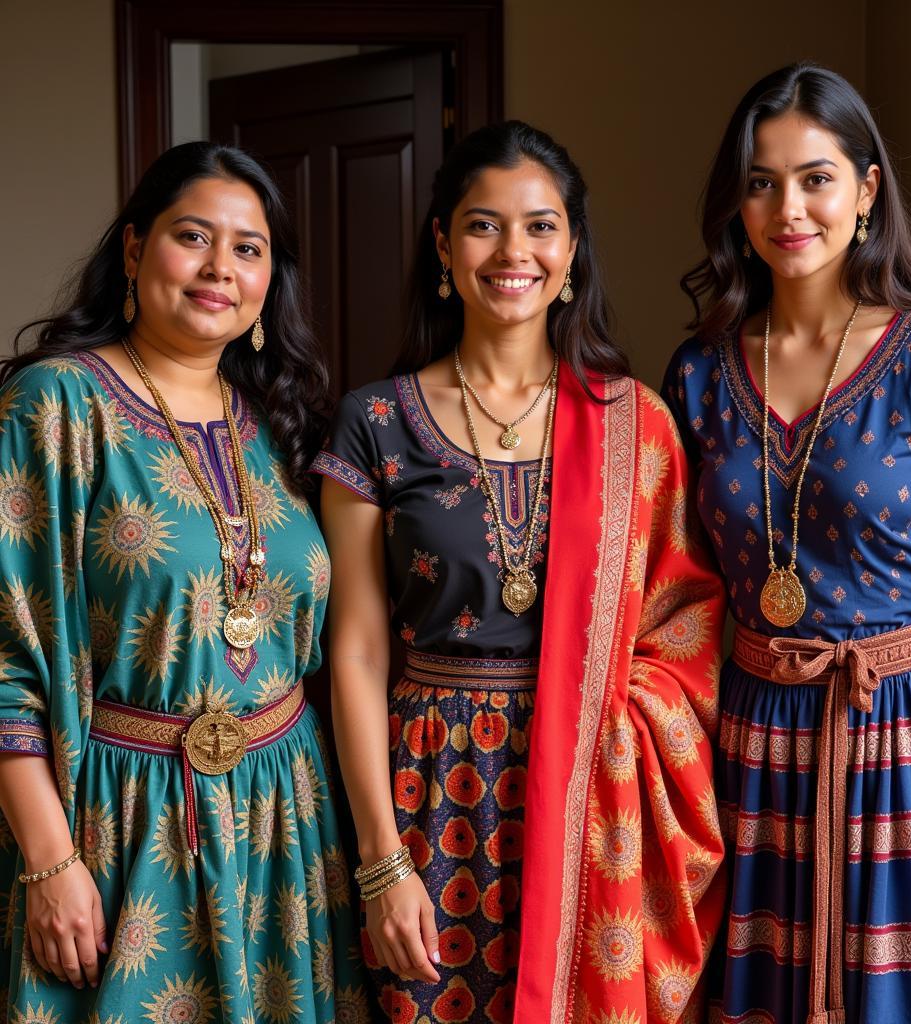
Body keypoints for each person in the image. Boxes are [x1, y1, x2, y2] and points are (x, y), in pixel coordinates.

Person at [317, 120, 725, 1022]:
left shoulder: (636, 425)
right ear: (442, 244)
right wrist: (383, 860)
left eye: (541, 226)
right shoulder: (376, 422)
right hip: (428, 791)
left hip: (594, 796)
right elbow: (353, 651)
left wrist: (608, 730)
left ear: (573, 247)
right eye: (483, 225)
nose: (514, 252)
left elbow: (686, 629)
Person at [663, 62, 911, 1024]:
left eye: (817, 177)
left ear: (865, 192)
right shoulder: (699, 373)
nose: (790, 207)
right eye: (761, 180)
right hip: (753, 750)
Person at [0, 142, 369, 1022]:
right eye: (193, 237)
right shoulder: (58, 404)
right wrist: (51, 861)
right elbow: (5, 659)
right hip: (122, 821)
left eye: (249, 249)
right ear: (134, 252)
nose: (220, 269)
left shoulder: (277, 421)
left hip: (283, 820)